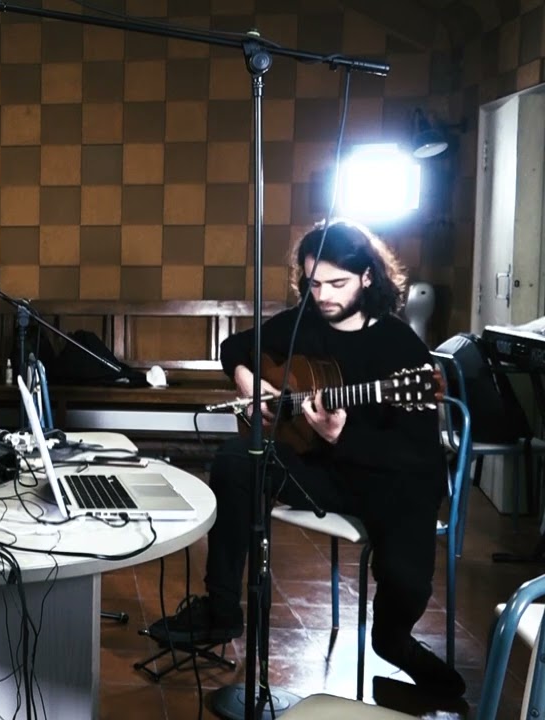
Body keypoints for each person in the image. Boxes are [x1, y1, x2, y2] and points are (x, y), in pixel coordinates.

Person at [147, 219, 465, 697]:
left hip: (391, 487)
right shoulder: (304, 322)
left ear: (368, 278)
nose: (323, 296)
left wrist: (342, 437)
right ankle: (221, 611)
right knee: (237, 460)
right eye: (314, 283)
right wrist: (252, 384)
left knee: (397, 606)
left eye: (337, 284)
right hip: (321, 471)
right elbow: (234, 347)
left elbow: (420, 457)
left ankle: (408, 655)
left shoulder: (400, 347)